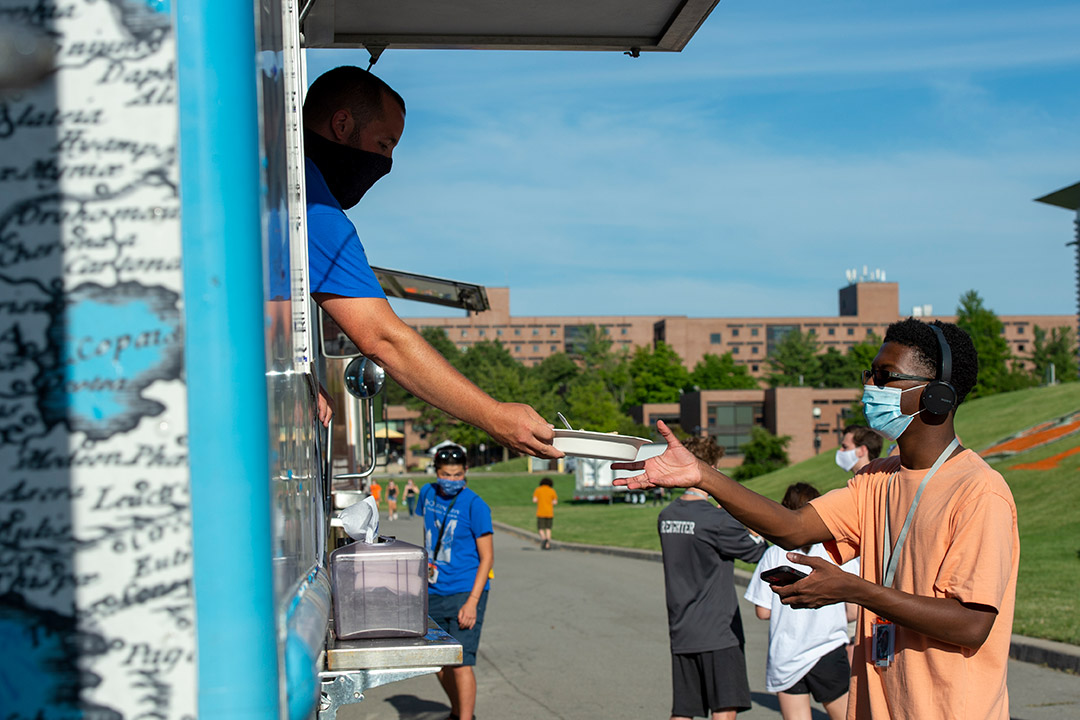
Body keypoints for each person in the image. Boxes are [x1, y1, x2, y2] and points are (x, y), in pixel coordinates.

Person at [614, 318, 1018, 720]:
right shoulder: (877, 477)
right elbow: (793, 528)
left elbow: (971, 624)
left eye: (885, 376)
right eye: (870, 374)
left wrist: (856, 590)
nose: (870, 387)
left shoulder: (980, 491)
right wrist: (704, 475)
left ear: (937, 396)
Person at [302, 67, 561, 462]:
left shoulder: (263, 177)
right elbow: (382, 339)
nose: (387, 162)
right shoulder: (313, 211)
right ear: (341, 124)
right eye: (384, 143)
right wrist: (494, 416)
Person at [658, 435, 767, 720]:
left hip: (681, 628)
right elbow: (757, 552)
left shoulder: (666, 515)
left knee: (684, 709)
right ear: (711, 469)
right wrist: (745, 522)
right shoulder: (717, 520)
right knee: (724, 706)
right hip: (718, 631)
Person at [744, 483, 858, 720]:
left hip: (787, 655)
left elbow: (763, 612)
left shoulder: (774, 554)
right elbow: (853, 611)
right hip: (828, 648)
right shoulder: (836, 551)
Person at [417, 445, 493, 720]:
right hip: (433, 589)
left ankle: (466, 717)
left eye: (458, 474)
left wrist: (472, 603)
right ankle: (457, 710)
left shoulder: (475, 505)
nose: (452, 480)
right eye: (446, 474)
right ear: (436, 472)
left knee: (460, 663)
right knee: (438, 662)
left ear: (466, 472)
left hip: (465, 591)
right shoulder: (426, 494)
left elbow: (487, 558)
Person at [532, 477, 558, 549]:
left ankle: (544, 539)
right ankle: (547, 545)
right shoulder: (552, 491)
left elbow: (534, 500)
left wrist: (540, 501)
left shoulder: (538, 490)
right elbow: (555, 502)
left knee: (540, 528)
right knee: (548, 528)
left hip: (541, 512)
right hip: (549, 512)